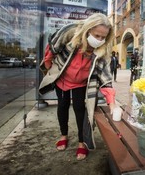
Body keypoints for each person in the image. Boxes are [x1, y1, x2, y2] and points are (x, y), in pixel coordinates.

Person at [39, 13, 116, 161]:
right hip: (62, 79)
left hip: (81, 83)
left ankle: (82, 142)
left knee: (80, 110)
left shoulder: (102, 51)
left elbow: (106, 77)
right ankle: (63, 135)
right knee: (62, 106)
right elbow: (53, 47)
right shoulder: (70, 34)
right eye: (96, 35)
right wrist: (48, 68)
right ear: (87, 30)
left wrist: (111, 103)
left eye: (103, 37)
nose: (99, 40)